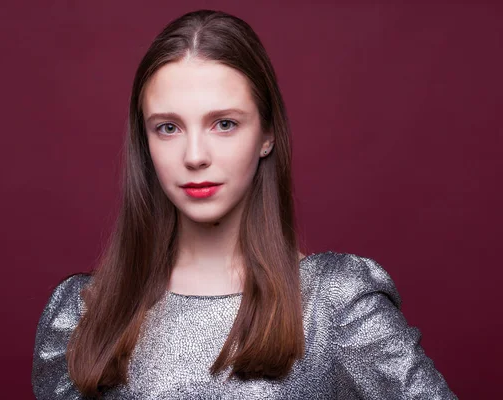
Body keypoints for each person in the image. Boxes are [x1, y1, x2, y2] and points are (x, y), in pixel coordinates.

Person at [31, 9, 456, 399]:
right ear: (145, 141)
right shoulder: (81, 317)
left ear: (267, 134)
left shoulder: (335, 304)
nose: (195, 155)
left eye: (225, 124)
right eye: (168, 127)